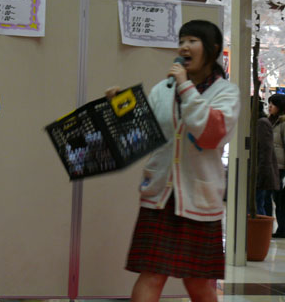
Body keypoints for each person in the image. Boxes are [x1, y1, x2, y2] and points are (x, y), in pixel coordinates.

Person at [106, 20, 240, 302]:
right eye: (181, 41)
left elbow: (210, 135)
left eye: (192, 41)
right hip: (160, 196)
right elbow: (143, 137)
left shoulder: (226, 93)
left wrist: (185, 86)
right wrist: (120, 110)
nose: (183, 47)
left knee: (199, 283)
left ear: (213, 48)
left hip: (199, 200)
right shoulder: (162, 89)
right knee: (152, 275)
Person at [255, 101, 279, 216]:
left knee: (262, 201)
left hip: (273, 166)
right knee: (264, 200)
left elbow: (266, 148)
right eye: (269, 104)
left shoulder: (263, 123)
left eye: (273, 104)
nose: (270, 107)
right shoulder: (268, 121)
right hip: (268, 165)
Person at [268, 93, 285, 237]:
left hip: (281, 168)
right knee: (276, 198)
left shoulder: (283, 124)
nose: (269, 106)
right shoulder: (272, 122)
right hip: (273, 166)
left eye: (272, 104)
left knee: (280, 199)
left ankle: (282, 229)